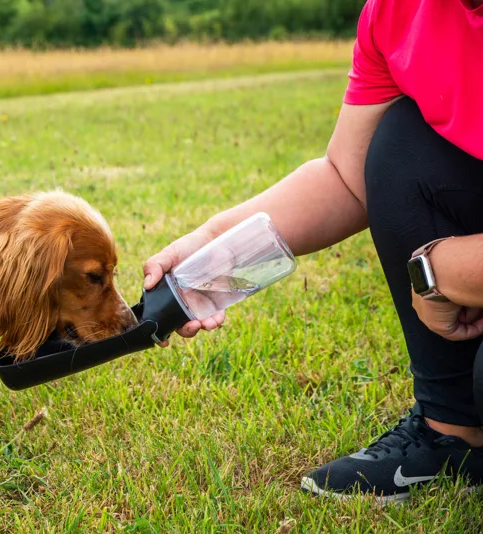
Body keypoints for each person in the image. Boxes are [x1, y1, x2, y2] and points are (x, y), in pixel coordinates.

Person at [143, 0, 483, 503]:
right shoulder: (396, 12)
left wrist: (440, 270)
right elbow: (347, 176)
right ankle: (452, 434)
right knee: (399, 142)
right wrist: (213, 244)